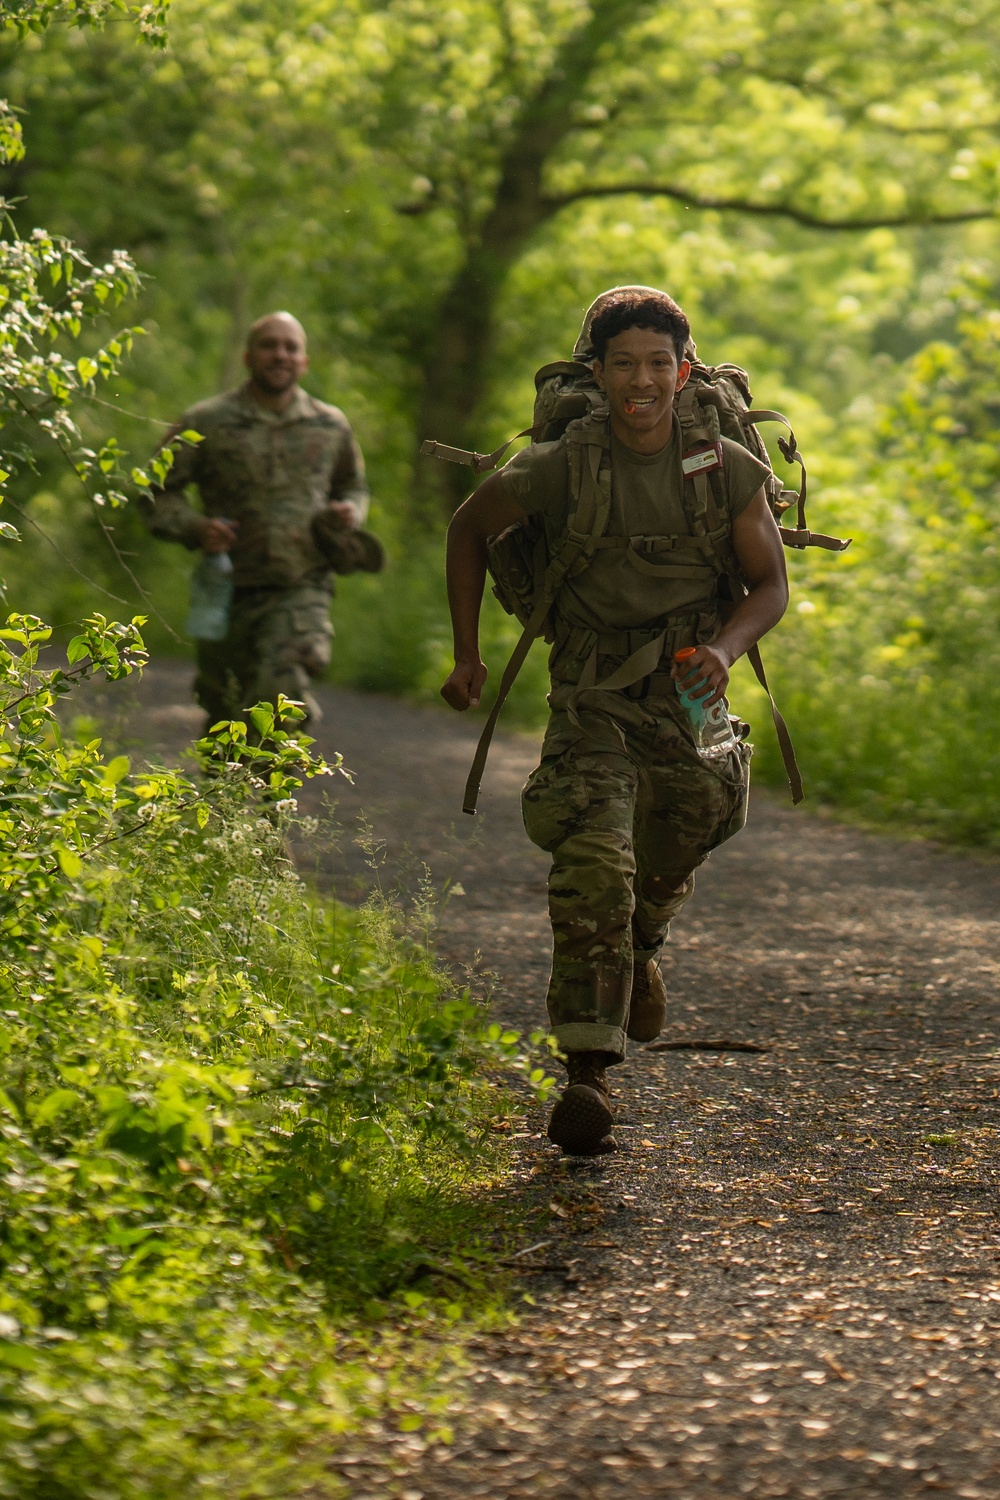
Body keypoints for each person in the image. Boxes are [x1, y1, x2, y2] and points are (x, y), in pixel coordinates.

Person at [441, 288, 789, 1156]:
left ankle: (644, 941)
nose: (642, 381)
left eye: (658, 365)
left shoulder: (723, 466)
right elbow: (468, 528)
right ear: (597, 374)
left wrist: (724, 647)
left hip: (690, 684)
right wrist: (466, 654)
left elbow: (770, 585)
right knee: (594, 858)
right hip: (591, 688)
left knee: (690, 829)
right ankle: (588, 1069)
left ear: (683, 373)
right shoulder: (566, 463)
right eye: (624, 364)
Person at [144, 311, 370, 727]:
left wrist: (350, 511)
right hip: (227, 587)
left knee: (281, 689)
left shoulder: (330, 424)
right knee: (225, 708)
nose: (280, 355)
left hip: (302, 583)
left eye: (291, 347)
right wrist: (196, 528)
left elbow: (353, 487)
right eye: (269, 345)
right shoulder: (204, 421)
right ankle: (220, 792)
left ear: (304, 361)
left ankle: (273, 793)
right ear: (248, 357)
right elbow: (154, 491)